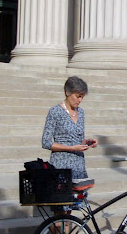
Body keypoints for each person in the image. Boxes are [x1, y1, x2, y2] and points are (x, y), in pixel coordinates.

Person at [42, 75, 98, 208]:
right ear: (67, 93)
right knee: (60, 211)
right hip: (61, 165)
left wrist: (88, 142)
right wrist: (71, 148)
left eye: (82, 97)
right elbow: (46, 142)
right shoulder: (55, 112)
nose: (80, 100)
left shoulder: (81, 113)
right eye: (77, 96)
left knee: (72, 211)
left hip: (78, 166)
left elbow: (78, 139)